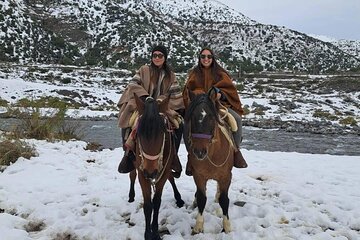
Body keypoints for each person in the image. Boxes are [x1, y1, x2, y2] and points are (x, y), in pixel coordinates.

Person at [117, 45, 184, 176]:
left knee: (178, 124)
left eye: (160, 56)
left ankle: (173, 156)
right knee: (130, 122)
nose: (157, 58)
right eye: (155, 55)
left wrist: (160, 100)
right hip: (142, 105)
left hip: (162, 107)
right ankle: (128, 155)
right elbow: (133, 84)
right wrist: (145, 97)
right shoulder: (144, 70)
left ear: (165, 58)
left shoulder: (170, 75)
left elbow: (174, 93)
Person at [182, 47, 248, 175]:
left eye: (209, 56)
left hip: (218, 105)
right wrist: (199, 95)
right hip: (199, 106)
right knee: (187, 125)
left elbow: (230, 90)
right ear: (199, 58)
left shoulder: (221, 73)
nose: (206, 59)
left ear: (213, 58)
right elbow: (187, 92)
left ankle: (235, 151)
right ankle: (191, 156)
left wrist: (220, 94)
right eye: (203, 57)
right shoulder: (194, 74)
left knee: (237, 120)